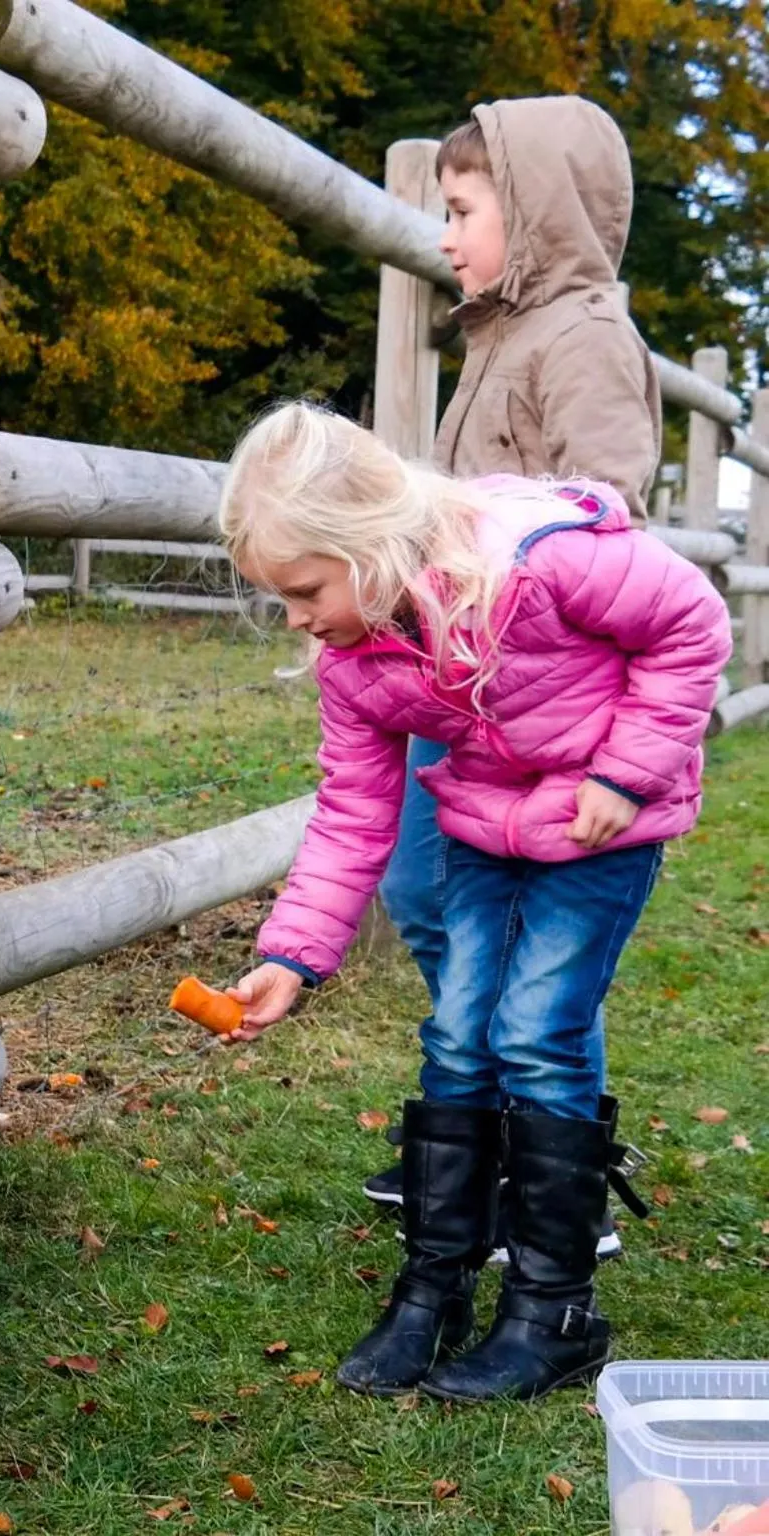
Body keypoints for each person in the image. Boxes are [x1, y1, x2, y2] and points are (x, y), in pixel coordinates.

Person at [219, 401, 728, 1402]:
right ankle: (433, 1287)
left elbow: (691, 626)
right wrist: (292, 954)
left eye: (303, 589)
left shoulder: (540, 562)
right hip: (486, 826)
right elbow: (352, 809)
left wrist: (622, 775)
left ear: (365, 544)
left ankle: (553, 1311)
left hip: (600, 825)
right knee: (456, 1034)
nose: (294, 617)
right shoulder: (355, 657)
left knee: (536, 1030)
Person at [366, 97, 665, 1239]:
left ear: (531, 214)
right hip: (459, 686)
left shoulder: (582, 340)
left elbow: (601, 515)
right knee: (423, 901)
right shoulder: (496, 334)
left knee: (540, 961)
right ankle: (484, 1129)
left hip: (539, 705)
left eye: (459, 211)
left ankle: (556, 1172)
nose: (443, 237)